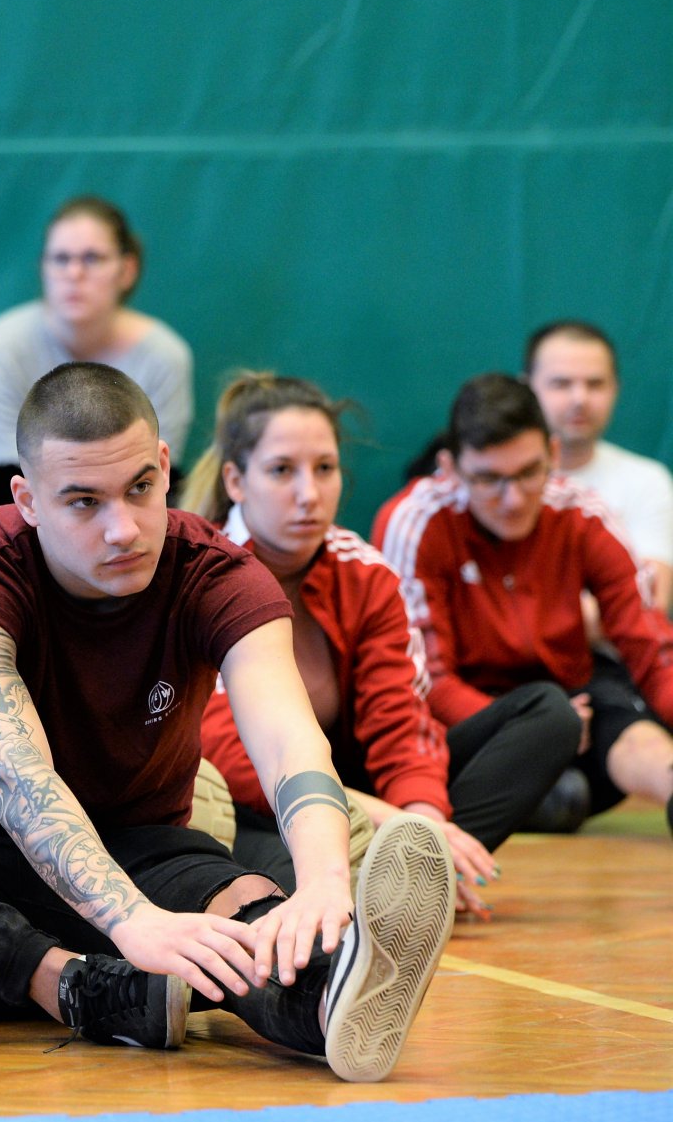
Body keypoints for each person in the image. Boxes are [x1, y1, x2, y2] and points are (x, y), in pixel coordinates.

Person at [0, 363, 455, 1083]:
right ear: (27, 498)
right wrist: (130, 922)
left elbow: (287, 733)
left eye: (140, 488)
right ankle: (69, 986)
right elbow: (18, 777)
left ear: (165, 466)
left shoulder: (218, 573)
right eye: (83, 502)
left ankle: (327, 994)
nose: (123, 529)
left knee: (247, 903)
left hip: (143, 853)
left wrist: (324, 884)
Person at [184, 373, 579, 910]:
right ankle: (393, 882)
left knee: (549, 714)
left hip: (357, 789)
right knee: (271, 867)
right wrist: (390, 821)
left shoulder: (365, 573)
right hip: (259, 804)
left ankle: (412, 876)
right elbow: (234, 759)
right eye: (282, 471)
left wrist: (423, 820)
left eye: (324, 469)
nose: (309, 494)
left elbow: (399, 720)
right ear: (235, 480)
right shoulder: (203, 576)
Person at [375, 372, 673, 836]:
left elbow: (650, 645)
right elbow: (425, 680)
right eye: (489, 479)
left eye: (529, 472)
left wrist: (561, 723)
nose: (513, 499)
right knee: (549, 725)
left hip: (575, 702)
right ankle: (549, 791)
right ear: (450, 468)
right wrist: (538, 727)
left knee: (625, 716)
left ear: (553, 454)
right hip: (471, 716)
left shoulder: (583, 513)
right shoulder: (414, 521)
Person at [0, 197, 192, 524]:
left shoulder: (164, 355)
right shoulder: (2, 346)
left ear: (127, 270)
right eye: (60, 258)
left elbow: (157, 480)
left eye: (92, 258)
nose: (74, 273)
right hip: (34, 517)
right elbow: (6, 476)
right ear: (43, 268)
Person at [524, 320, 673, 615]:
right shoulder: (485, 478)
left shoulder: (647, 481)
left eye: (595, 384)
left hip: (612, 660)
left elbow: (649, 606)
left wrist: (508, 618)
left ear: (616, 389)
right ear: (527, 389)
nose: (580, 399)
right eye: (561, 383)